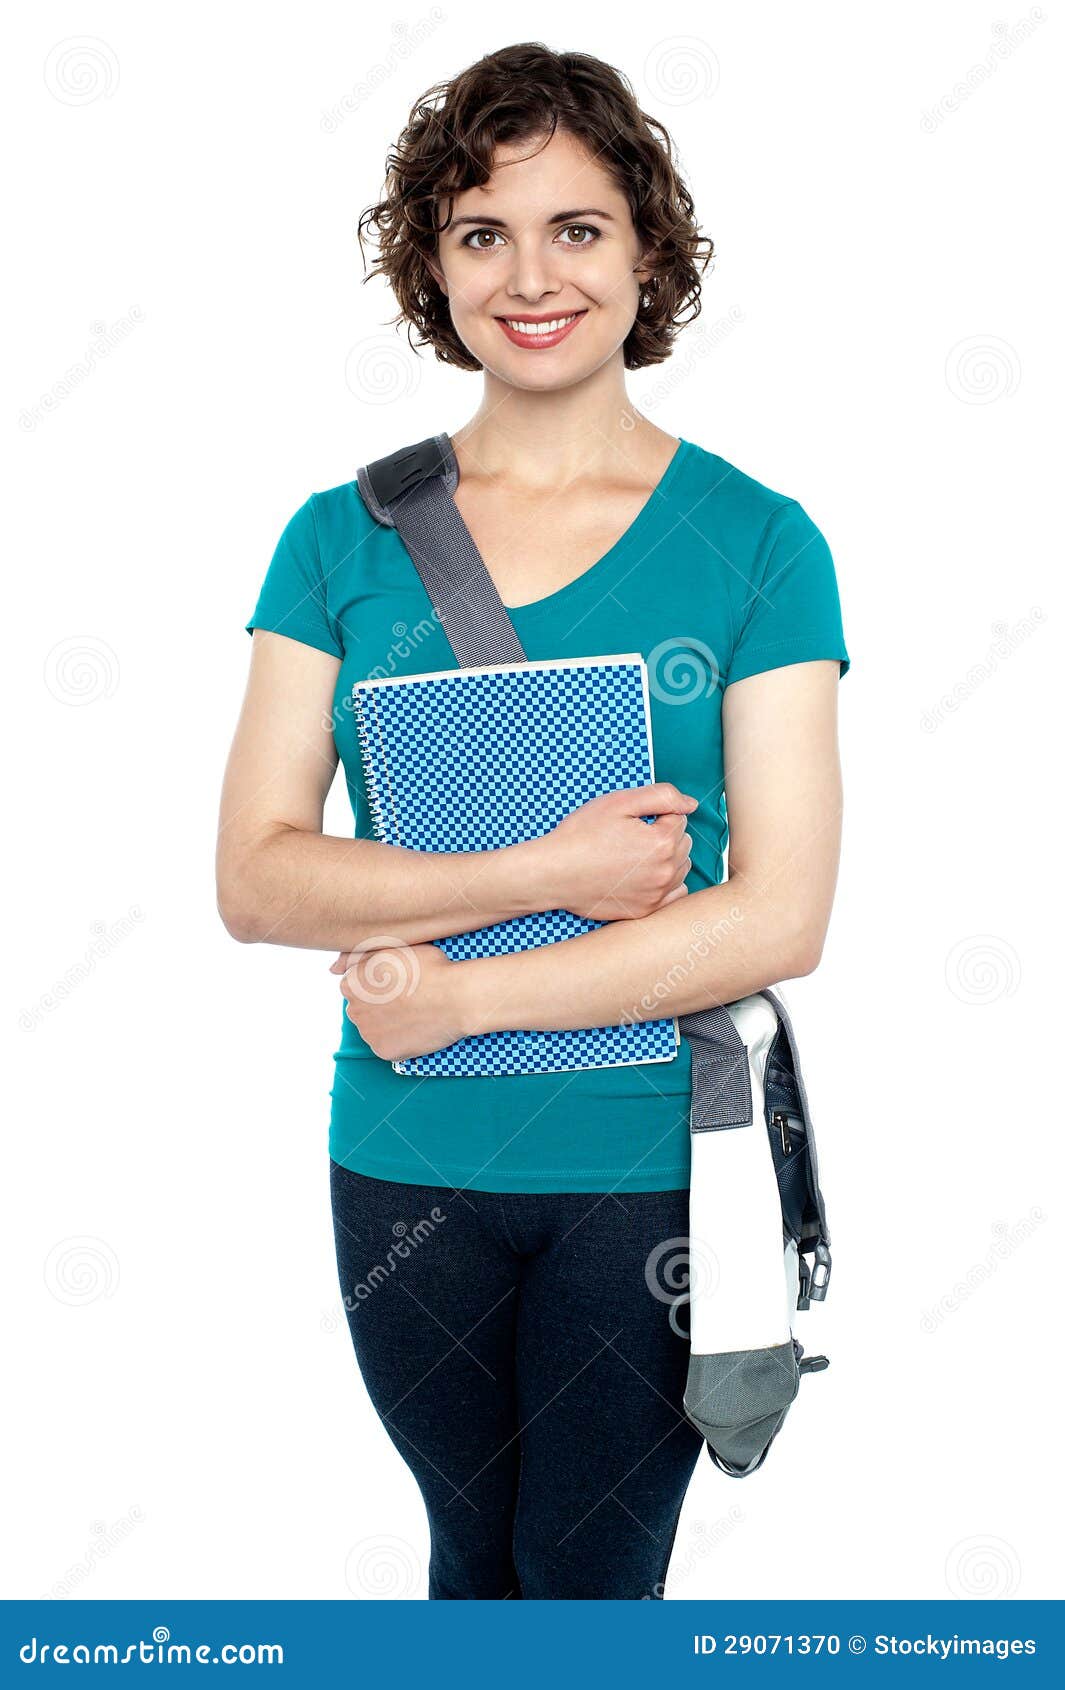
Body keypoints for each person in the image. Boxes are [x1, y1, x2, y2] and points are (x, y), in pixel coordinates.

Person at [216, 42, 850, 1601]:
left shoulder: (762, 544)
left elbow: (781, 916)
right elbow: (254, 874)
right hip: (404, 1159)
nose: (530, 275)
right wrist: (551, 871)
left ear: (647, 250)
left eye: (577, 228)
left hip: (649, 1162)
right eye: (480, 232)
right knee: (468, 1566)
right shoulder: (338, 539)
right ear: (432, 269)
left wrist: (457, 990)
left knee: (588, 1581)